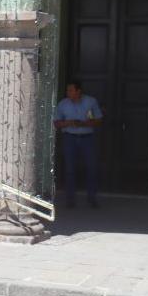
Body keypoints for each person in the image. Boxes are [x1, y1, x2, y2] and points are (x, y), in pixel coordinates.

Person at [54, 80, 103, 208]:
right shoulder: (63, 104)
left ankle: (92, 198)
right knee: (70, 169)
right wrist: (69, 122)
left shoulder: (90, 102)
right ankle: (70, 199)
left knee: (92, 167)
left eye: (71, 90)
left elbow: (98, 120)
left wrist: (83, 123)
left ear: (78, 91)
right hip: (69, 138)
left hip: (87, 138)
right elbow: (57, 123)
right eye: (67, 90)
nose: (68, 92)